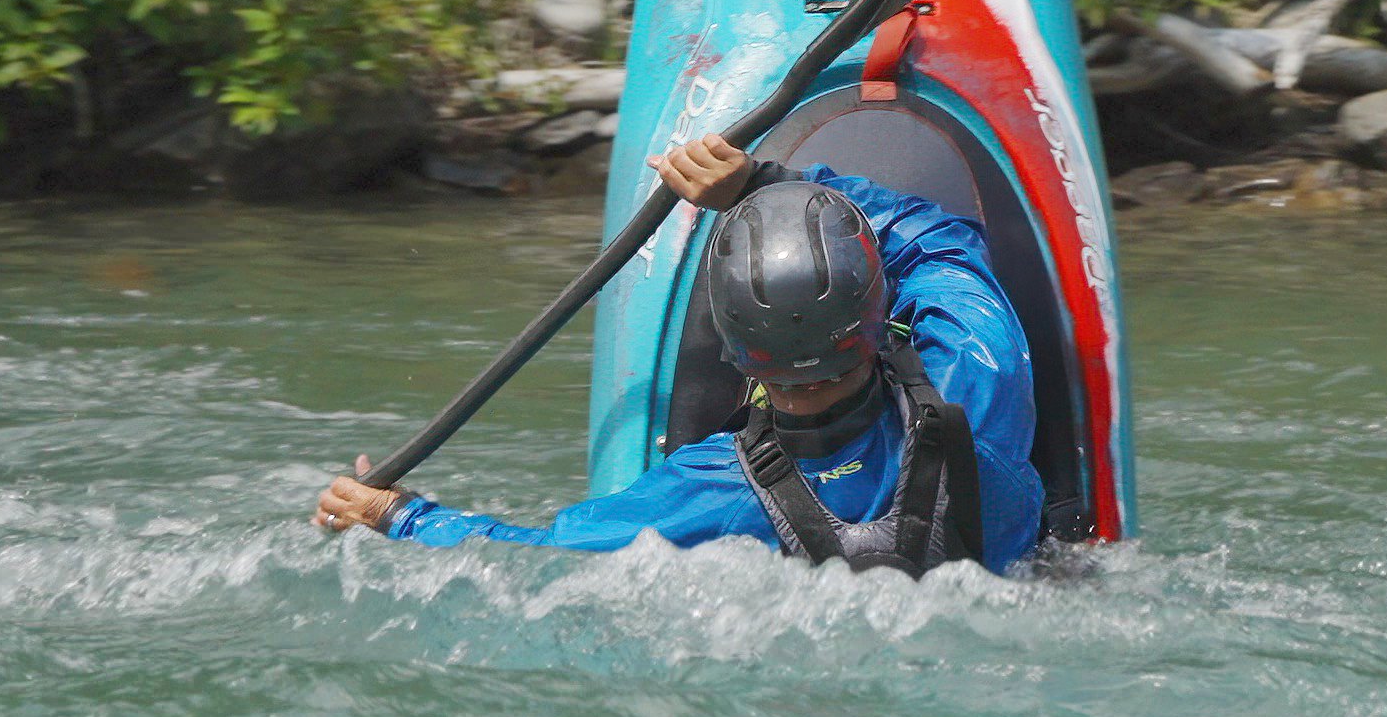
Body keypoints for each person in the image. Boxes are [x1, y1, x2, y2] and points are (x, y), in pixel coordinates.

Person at [311, 132, 1042, 575]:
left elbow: (531, 559)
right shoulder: (978, 384)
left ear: (731, 350)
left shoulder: (709, 492)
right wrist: (764, 182)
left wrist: (399, 516)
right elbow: (942, 240)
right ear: (878, 316)